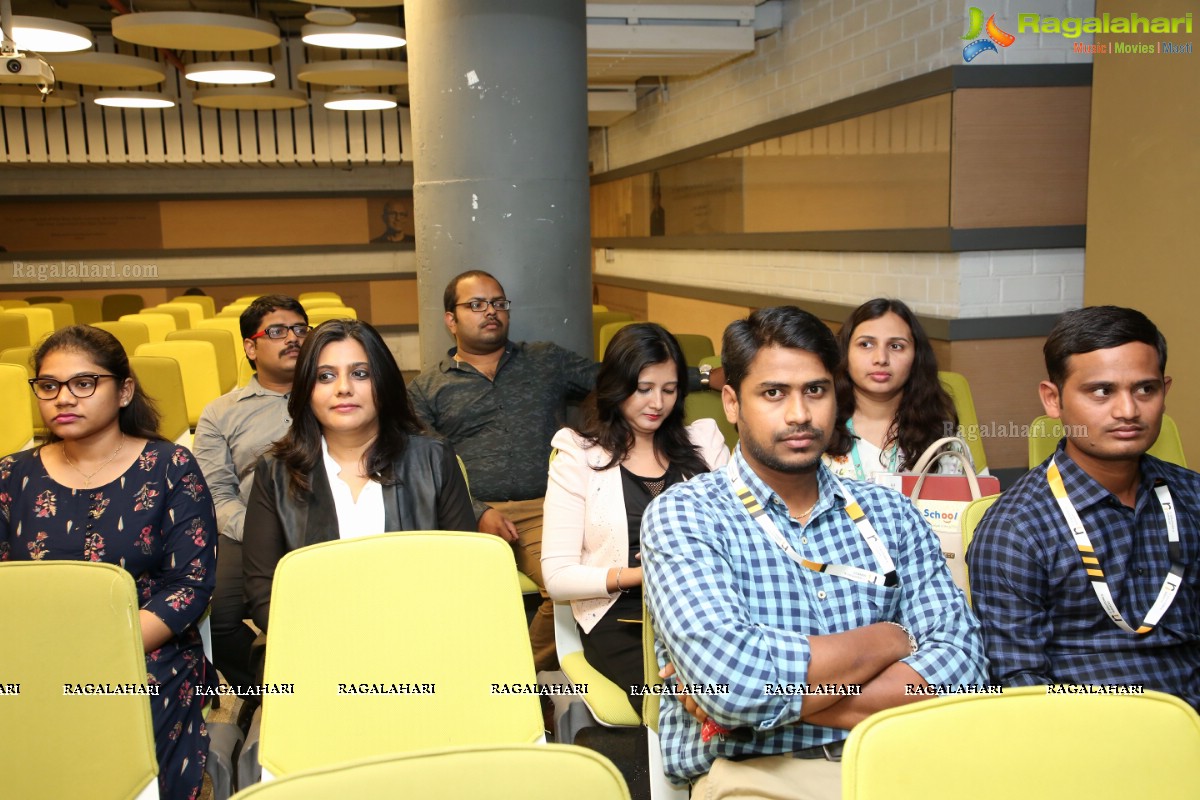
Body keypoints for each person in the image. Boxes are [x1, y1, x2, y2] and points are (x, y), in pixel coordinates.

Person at [642, 306, 986, 798]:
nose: (800, 414)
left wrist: (758, 710)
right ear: (732, 403)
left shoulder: (891, 513)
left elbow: (963, 669)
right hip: (761, 776)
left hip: (903, 763)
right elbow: (737, 685)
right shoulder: (687, 515)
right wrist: (893, 639)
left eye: (815, 391)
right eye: (773, 393)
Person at [0, 325, 217, 800]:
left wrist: (97, 651)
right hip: (31, 652)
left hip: (141, 650)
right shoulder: (12, 475)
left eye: (84, 383)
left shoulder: (169, 466)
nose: (63, 398)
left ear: (124, 391)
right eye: (49, 385)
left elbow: (190, 585)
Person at [967, 306, 1200, 708]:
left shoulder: (1192, 497)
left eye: (1145, 389)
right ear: (1053, 399)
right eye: (1102, 391)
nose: (1128, 410)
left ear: (1165, 391)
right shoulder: (1018, 528)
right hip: (1089, 732)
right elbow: (1019, 683)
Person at [409, 270, 598, 671]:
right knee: (441, 601)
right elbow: (425, 464)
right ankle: (458, 675)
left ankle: (511, 679)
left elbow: (623, 381)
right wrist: (477, 511)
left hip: (545, 510)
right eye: (476, 304)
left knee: (568, 590)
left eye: (498, 303)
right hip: (462, 515)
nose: (490, 311)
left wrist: (703, 377)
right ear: (450, 319)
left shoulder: (546, 360)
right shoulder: (426, 390)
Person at [542, 323, 729, 712]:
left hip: (706, 607)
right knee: (688, 699)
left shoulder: (704, 444)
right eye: (643, 389)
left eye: (669, 389)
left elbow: (738, 536)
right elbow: (557, 578)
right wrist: (643, 575)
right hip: (623, 617)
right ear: (617, 385)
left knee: (749, 686)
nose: (656, 403)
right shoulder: (578, 456)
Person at [243, 319, 475, 631]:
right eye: (325, 376)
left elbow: (463, 573)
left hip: (420, 637)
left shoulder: (434, 460)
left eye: (360, 374)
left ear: (384, 382)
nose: (343, 388)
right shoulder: (275, 471)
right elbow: (265, 594)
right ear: (306, 390)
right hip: (311, 644)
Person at [193, 295, 308, 696]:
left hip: (329, 521)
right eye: (276, 331)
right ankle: (272, 694)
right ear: (250, 347)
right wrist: (258, 532)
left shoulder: (335, 394)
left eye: (299, 329)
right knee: (218, 618)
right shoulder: (220, 413)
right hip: (250, 529)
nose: (292, 338)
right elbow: (216, 491)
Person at [824, 298, 962, 481]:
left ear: (916, 358)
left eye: (896, 346)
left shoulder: (941, 437)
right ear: (845, 353)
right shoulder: (818, 429)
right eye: (866, 344)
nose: (881, 358)